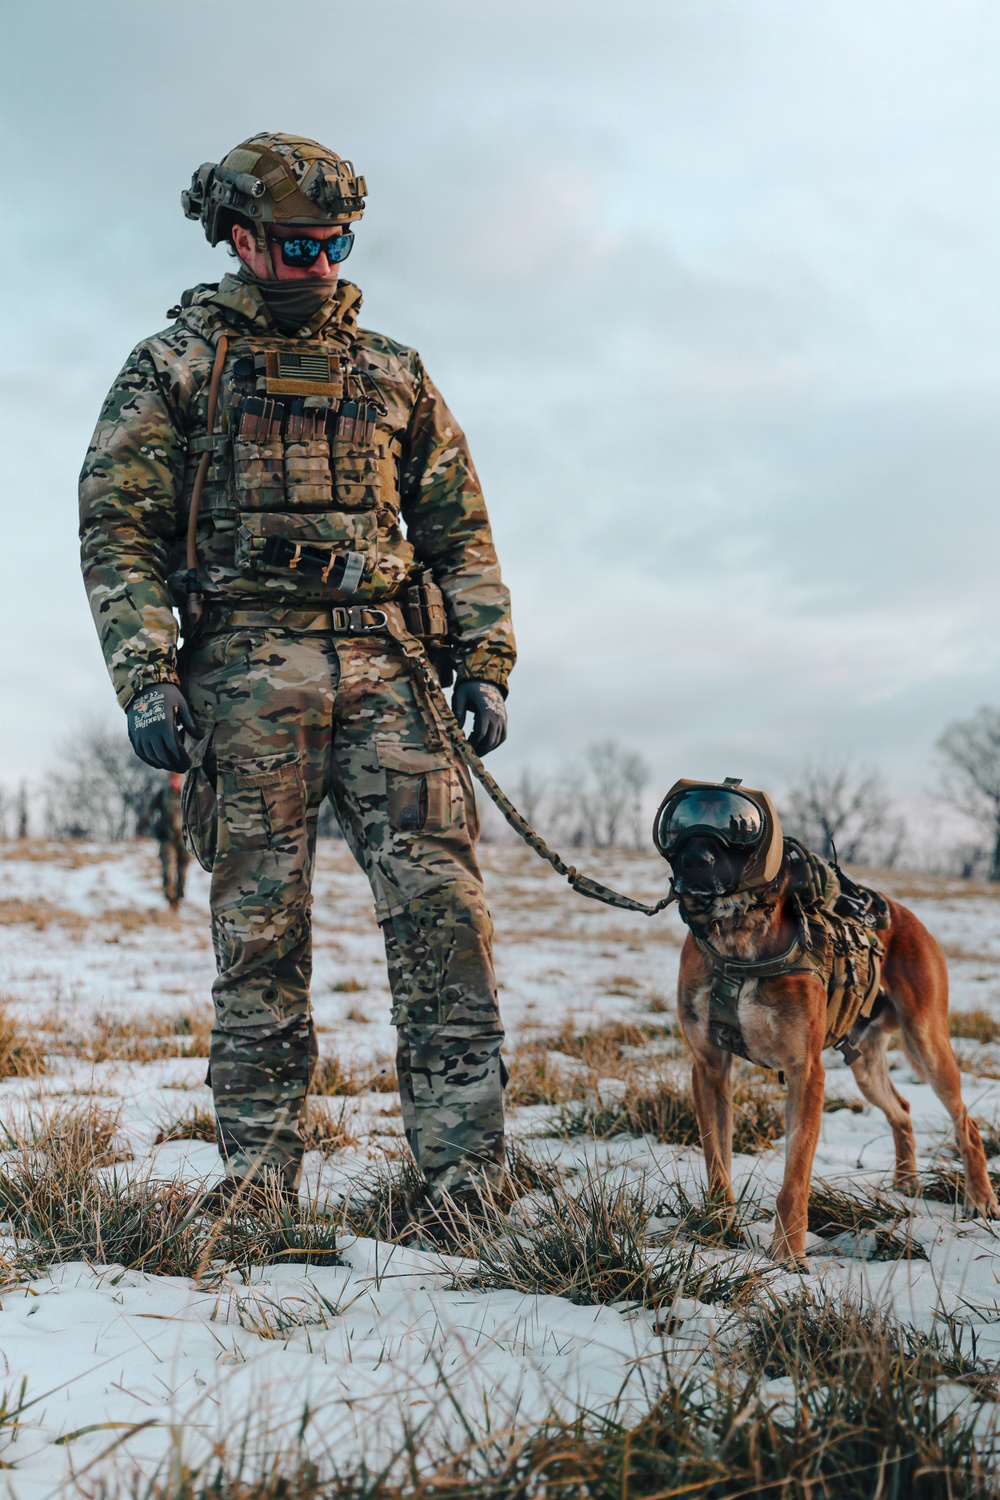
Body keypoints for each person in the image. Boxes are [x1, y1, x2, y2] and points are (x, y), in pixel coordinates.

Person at [79, 133, 515, 1211]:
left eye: (338, 242)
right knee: (259, 936)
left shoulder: (394, 372)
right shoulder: (176, 365)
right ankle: (258, 1186)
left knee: (443, 919)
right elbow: (116, 529)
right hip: (245, 675)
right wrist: (147, 677)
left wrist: (486, 658)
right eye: (298, 244)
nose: (323, 262)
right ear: (240, 239)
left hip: (392, 668)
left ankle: (466, 1178)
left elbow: (458, 526)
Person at [137, 772, 188, 910]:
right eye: (172, 779)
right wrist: (140, 830)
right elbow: (149, 811)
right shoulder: (162, 794)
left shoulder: (187, 794)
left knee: (182, 870)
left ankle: (179, 896)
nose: (174, 782)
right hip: (167, 838)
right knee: (168, 869)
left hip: (185, 839)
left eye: (176, 780)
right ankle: (170, 899)